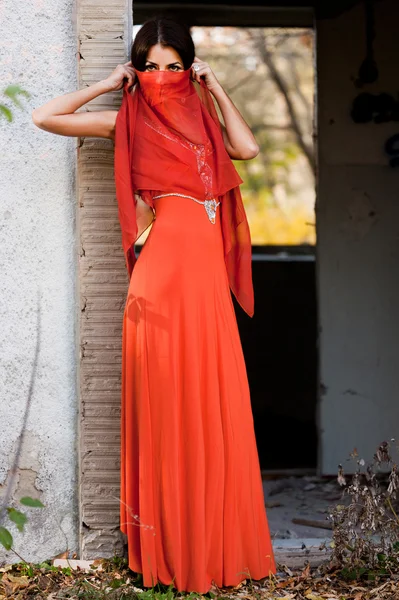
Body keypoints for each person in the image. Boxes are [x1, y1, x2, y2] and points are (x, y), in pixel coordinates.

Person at [32, 16, 276, 594]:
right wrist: (106, 80)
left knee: (211, 399)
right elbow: (46, 116)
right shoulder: (126, 122)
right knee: (169, 401)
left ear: (187, 68)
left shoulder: (209, 122)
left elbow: (249, 148)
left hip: (205, 276)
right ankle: (170, 552)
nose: (161, 77)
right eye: (150, 66)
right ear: (137, 69)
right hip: (163, 274)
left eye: (173, 66)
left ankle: (211, 547)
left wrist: (214, 86)